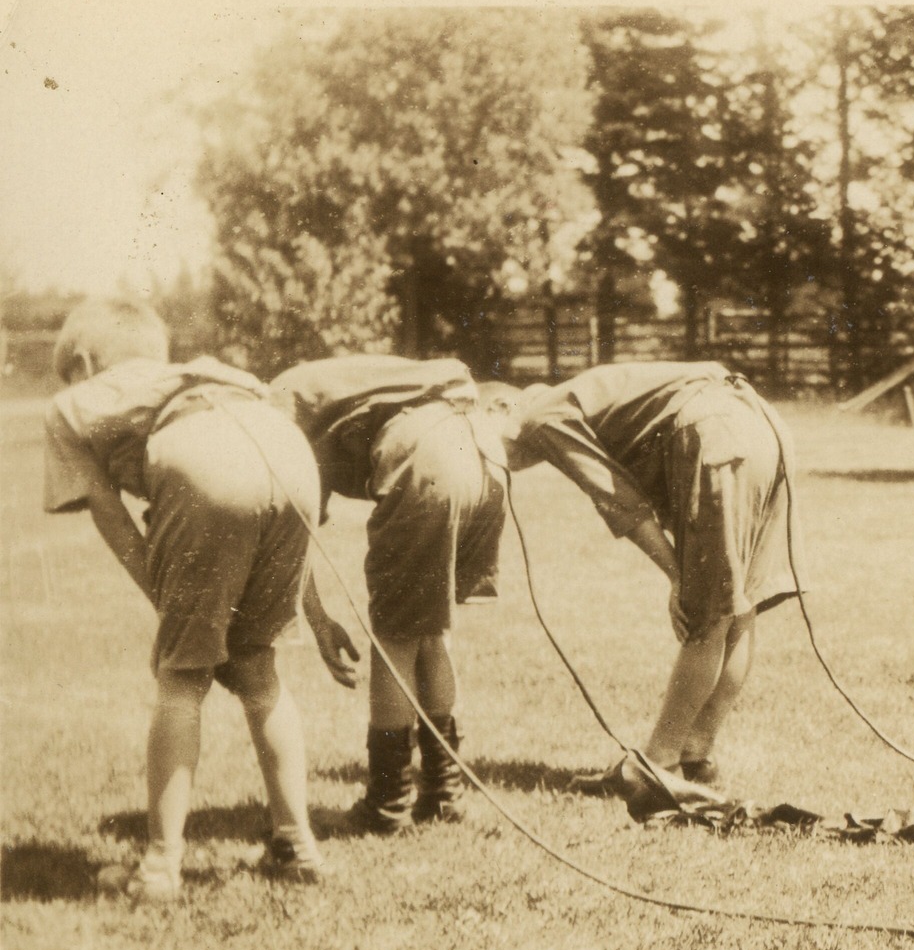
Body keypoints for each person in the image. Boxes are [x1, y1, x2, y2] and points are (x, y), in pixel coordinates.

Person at [43, 298, 329, 904]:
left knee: (181, 676)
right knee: (257, 669)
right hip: (290, 453)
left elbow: (112, 516)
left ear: (85, 361)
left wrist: (169, 602)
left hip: (202, 457)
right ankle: (297, 842)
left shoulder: (72, 404)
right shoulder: (210, 370)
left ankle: (160, 867)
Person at [497, 361, 802, 818]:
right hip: (763, 428)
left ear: (499, 406)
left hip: (718, 433)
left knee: (709, 614)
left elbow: (617, 497)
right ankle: (694, 756)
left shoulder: (540, 415)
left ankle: (658, 764)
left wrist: (677, 573)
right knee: (738, 609)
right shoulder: (583, 399)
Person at [268, 354, 507, 834]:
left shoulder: (273, 411)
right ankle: (443, 794)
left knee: (394, 638)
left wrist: (318, 622)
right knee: (431, 632)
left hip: (430, 457)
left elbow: (291, 536)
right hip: (485, 454)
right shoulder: (319, 389)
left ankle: (387, 804)